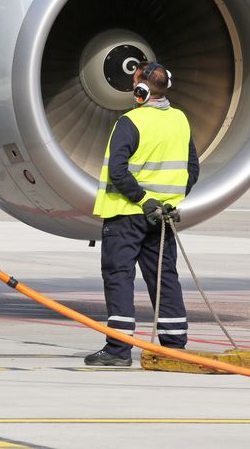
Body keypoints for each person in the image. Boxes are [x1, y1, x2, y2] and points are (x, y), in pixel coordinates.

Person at [86, 61, 200, 366]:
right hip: (162, 217)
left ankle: (119, 349)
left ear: (141, 90)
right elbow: (192, 170)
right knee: (164, 277)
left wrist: (143, 199)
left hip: (127, 214)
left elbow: (118, 172)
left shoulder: (130, 122)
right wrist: (168, 201)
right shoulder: (180, 121)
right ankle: (175, 347)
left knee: (119, 277)